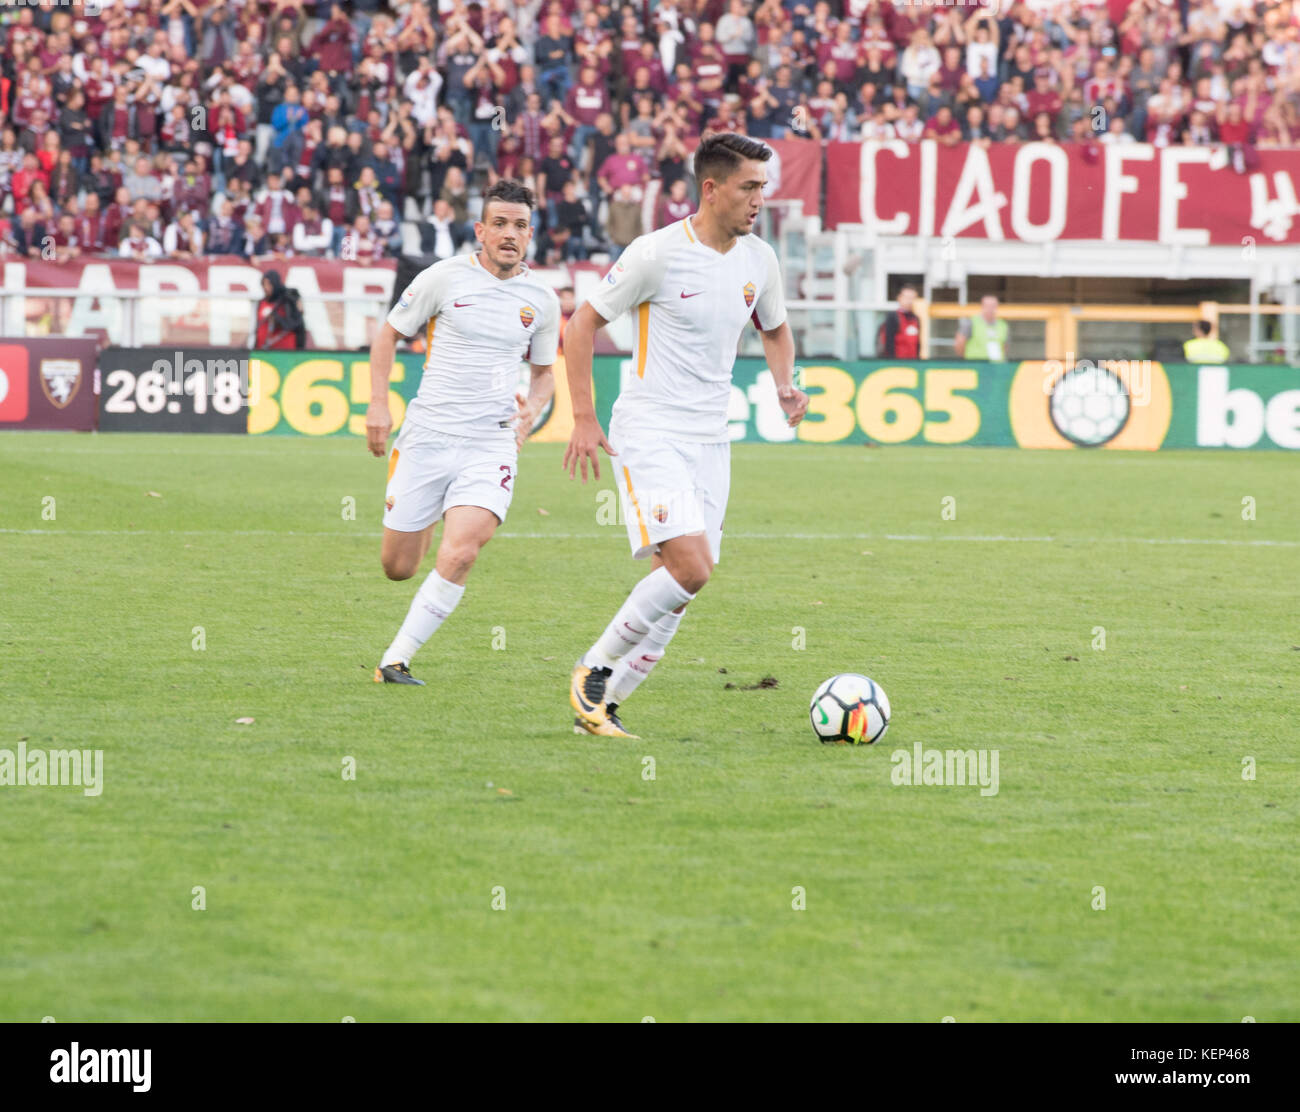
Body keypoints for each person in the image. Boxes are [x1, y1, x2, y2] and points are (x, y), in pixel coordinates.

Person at [561, 133, 809, 739]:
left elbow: (774, 329)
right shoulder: (656, 253)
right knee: (691, 568)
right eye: (749, 187)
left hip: (710, 436)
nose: (759, 199)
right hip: (650, 429)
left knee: (685, 585)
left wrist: (784, 384)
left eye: (763, 188)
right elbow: (581, 324)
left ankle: (603, 707)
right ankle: (592, 668)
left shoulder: (760, 260)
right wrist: (585, 418)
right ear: (712, 188)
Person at [364, 180, 560, 685]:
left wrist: (530, 413)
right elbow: (389, 333)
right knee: (399, 567)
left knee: (462, 551)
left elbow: (543, 377)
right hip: (427, 435)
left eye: (519, 225)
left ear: (530, 233)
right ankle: (429, 510)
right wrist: (379, 404)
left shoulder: (541, 299)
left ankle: (396, 659)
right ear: (480, 230)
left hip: (490, 442)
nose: (509, 234)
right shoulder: (444, 278)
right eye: (500, 224)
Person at [254, 270, 306, 350]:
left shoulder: (286, 301)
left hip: (285, 352)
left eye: (269, 284)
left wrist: (275, 318)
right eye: (264, 284)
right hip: (263, 352)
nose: (266, 288)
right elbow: (258, 328)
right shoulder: (261, 303)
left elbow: (293, 324)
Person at [954, 294, 1007, 360]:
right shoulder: (971, 322)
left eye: (993, 306)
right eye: (988, 306)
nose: (990, 309)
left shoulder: (1002, 325)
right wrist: (964, 358)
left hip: (996, 365)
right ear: (982, 306)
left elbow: (1004, 346)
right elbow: (960, 342)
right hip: (975, 364)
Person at [877, 284, 922, 358]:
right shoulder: (893, 316)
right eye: (907, 297)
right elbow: (888, 342)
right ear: (899, 298)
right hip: (897, 364)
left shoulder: (916, 319)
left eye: (913, 298)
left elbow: (918, 343)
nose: (910, 301)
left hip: (913, 363)